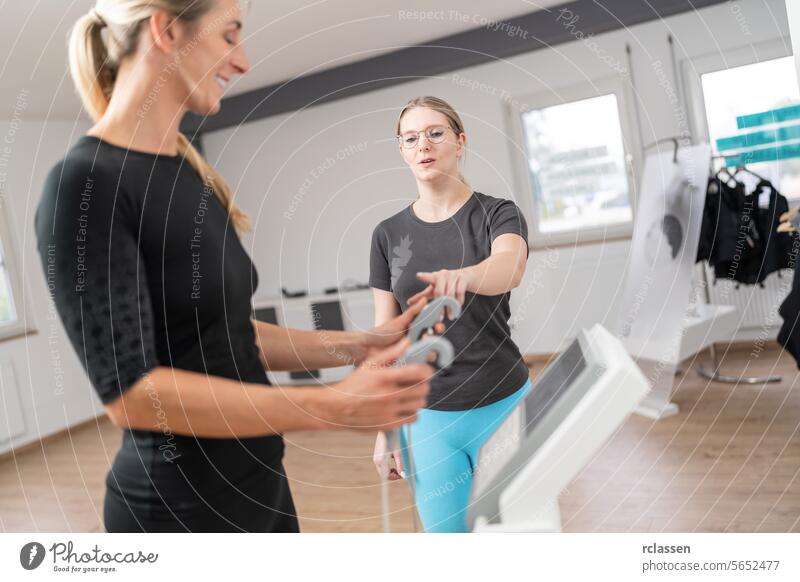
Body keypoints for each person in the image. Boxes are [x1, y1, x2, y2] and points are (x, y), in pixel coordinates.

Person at [34, 0, 433, 533]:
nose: (243, 62)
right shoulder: (84, 183)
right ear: (167, 31)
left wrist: (359, 344)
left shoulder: (188, 176)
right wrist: (329, 407)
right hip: (179, 510)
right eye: (229, 37)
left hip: (259, 480)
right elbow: (133, 395)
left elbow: (225, 333)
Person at [370, 96, 531, 532]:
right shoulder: (387, 236)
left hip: (505, 406)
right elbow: (386, 337)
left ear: (460, 142)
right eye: (411, 137)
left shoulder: (498, 213)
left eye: (435, 132)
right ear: (402, 150)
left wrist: (462, 277)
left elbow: (509, 268)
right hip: (428, 419)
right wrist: (386, 430)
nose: (424, 144)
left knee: (517, 539)